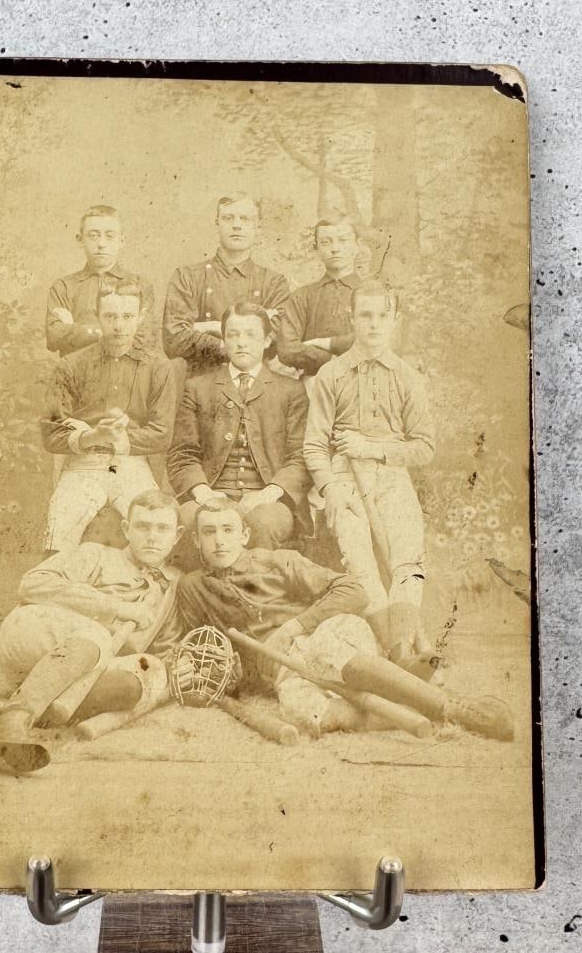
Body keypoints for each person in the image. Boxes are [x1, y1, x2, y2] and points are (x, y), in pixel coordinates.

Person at [0, 491, 185, 772]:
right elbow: (32, 585)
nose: (152, 537)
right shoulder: (95, 554)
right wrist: (116, 608)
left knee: (134, 685)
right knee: (96, 635)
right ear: (126, 529)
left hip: (83, 672)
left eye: (162, 528)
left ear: (177, 535)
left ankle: (0, 719)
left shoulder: (172, 586)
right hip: (34, 634)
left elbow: (162, 648)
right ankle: (12, 720)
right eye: (143, 526)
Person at [302, 278, 435, 667]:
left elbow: (425, 447)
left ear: (395, 320)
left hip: (392, 476)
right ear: (352, 319)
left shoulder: (409, 377)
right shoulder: (332, 374)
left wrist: (372, 449)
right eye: (365, 315)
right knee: (360, 559)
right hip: (344, 479)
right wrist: (329, 488)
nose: (374, 324)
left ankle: (405, 646)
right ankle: (400, 652)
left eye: (382, 316)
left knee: (408, 558)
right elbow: (314, 444)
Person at [176, 497, 380, 737]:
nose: (219, 541)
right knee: (303, 714)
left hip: (323, 638)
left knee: (336, 644)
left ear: (244, 536)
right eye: (209, 532)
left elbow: (354, 592)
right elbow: (201, 646)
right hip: (285, 669)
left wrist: (292, 627)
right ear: (196, 540)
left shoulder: (277, 560)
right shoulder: (192, 587)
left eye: (228, 530)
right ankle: (394, 712)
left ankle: (404, 693)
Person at [40, 280, 177, 555]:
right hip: (84, 464)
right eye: (110, 316)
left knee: (153, 531)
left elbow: (162, 434)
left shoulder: (158, 366)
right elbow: (51, 434)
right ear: (97, 315)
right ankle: (53, 589)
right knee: (60, 533)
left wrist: (120, 437)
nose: (118, 326)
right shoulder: (72, 365)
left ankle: (143, 593)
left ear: (140, 316)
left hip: (131, 463)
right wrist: (92, 436)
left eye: (127, 317)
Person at [167, 301, 309, 564]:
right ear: (223, 340)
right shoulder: (198, 388)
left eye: (251, 334)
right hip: (211, 492)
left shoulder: (290, 390)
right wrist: (203, 493)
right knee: (187, 518)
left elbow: (300, 458)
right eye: (233, 335)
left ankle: (256, 599)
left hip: (268, 498)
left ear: (267, 340)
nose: (241, 342)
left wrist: (267, 494)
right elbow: (182, 454)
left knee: (263, 523)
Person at [163, 192, 290, 373]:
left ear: (257, 226)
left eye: (245, 219)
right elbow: (174, 340)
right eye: (228, 218)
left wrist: (207, 328)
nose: (236, 225)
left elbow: (279, 339)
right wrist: (244, 341)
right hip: (200, 385)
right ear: (217, 223)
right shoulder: (187, 276)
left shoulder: (274, 283)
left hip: (255, 387)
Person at [45, 204, 158, 357]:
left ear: (122, 241)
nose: (101, 244)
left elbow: (146, 338)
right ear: (80, 240)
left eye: (110, 236)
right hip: (79, 374)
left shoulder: (140, 285)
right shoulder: (64, 287)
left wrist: (77, 329)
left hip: (127, 374)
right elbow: (54, 338)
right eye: (93, 235)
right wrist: (115, 331)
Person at [275, 212, 363, 379]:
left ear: (357, 245)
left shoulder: (374, 293)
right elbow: (287, 348)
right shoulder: (302, 296)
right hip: (315, 385)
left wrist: (328, 344)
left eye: (343, 241)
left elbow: (379, 339)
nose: (335, 248)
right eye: (326, 242)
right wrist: (330, 360)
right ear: (317, 249)